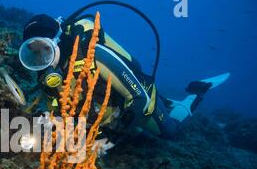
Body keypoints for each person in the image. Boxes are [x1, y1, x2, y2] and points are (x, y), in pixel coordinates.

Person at [18, 11, 230, 150]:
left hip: (141, 98)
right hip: (106, 110)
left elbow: (139, 98)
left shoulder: (93, 54)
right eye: (33, 55)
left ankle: (195, 95)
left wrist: (116, 133)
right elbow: (58, 102)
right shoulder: (46, 71)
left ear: (56, 41)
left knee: (171, 132)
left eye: (44, 50)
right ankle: (168, 102)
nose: (41, 61)